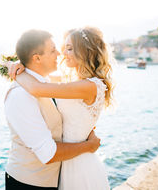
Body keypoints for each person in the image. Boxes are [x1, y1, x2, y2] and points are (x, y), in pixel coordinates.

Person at [8, 27, 113, 190]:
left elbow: (37, 87)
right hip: (66, 162)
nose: (62, 53)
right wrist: (19, 64)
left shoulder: (89, 85)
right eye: (62, 48)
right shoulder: (73, 80)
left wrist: (17, 73)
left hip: (79, 162)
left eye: (69, 49)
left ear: (85, 52)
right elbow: (41, 78)